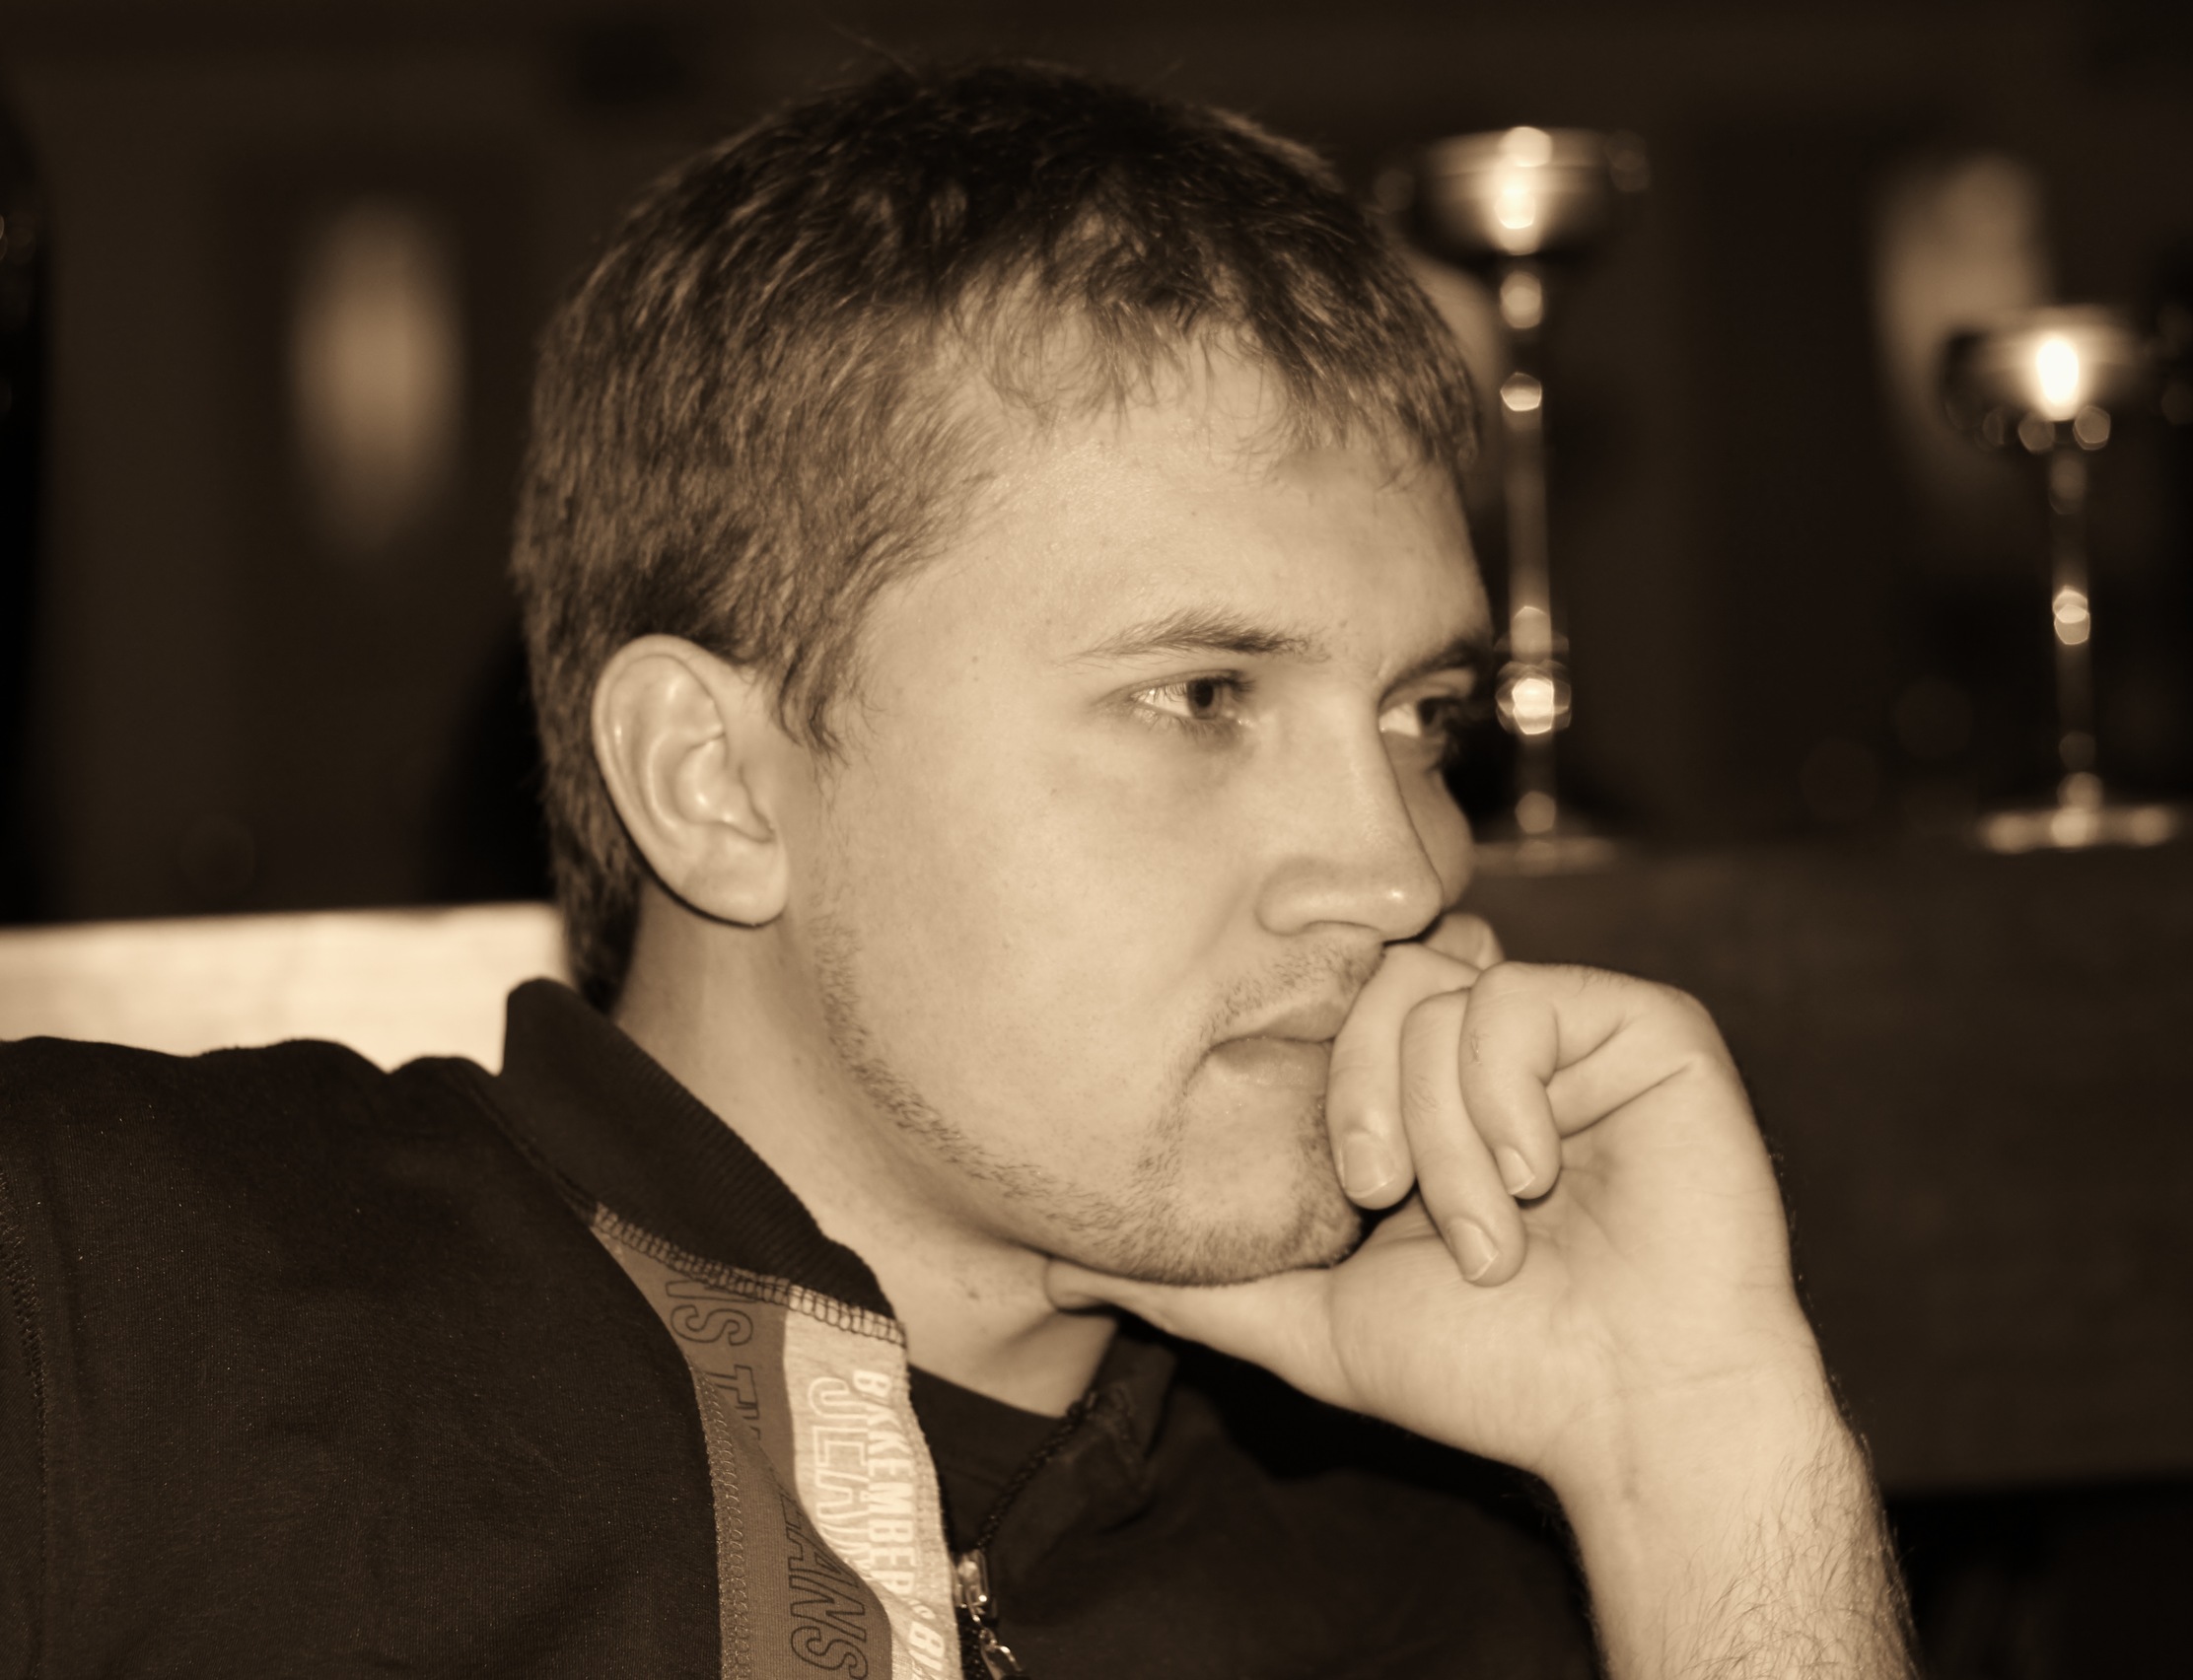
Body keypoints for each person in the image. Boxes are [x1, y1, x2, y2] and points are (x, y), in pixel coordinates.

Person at [0, 61, 1915, 1678]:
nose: (1400, 870)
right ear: (714, 783)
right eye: (1202, 694)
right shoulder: (103, 1311)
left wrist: (1690, 1447)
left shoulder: (1468, 1550)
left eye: (1425, 719)